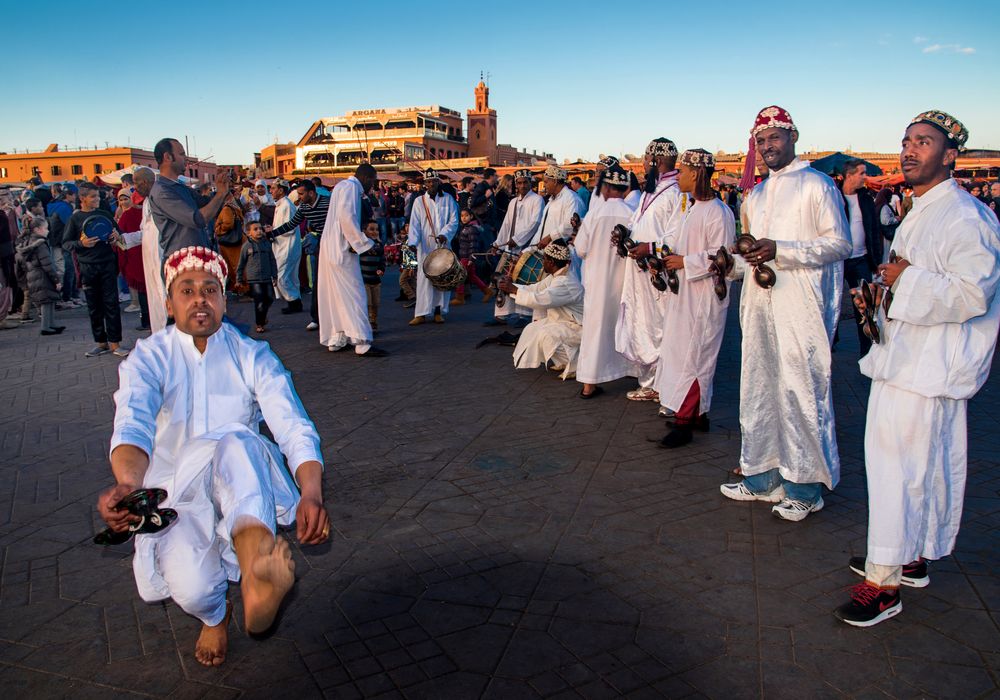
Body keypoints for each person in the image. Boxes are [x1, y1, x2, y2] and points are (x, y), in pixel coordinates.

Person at [97, 246, 329, 666]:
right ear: (169, 303)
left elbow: (292, 424)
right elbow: (133, 422)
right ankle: (215, 615)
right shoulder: (148, 357)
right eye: (187, 290)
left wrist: (310, 491)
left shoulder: (253, 355)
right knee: (192, 588)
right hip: (174, 492)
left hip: (240, 485)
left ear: (224, 299)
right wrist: (129, 487)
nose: (200, 298)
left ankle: (256, 561)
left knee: (238, 441)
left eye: (210, 290)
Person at [834, 111, 1000, 627]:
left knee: (895, 469)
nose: (909, 150)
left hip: (929, 366)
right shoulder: (923, 207)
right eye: (906, 141)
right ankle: (910, 555)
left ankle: (882, 584)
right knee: (922, 467)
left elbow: (973, 293)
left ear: (950, 155)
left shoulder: (967, 217)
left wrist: (905, 280)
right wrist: (885, 286)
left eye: (923, 142)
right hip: (910, 357)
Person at [719, 105, 851, 521]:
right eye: (760, 141)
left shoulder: (817, 185)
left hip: (801, 306)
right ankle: (762, 476)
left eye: (774, 137)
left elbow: (839, 244)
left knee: (801, 390)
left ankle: (805, 487)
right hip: (759, 305)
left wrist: (784, 251)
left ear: (793, 137)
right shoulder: (755, 195)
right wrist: (732, 266)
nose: (767, 146)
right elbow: (752, 254)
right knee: (758, 386)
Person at [653, 150, 735, 447]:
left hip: (704, 298)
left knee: (695, 356)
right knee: (681, 352)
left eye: (684, 172)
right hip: (685, 294)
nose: (680, 178)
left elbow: (723, 256)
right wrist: (665, 257)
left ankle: (685, 422)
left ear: (697, 174)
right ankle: (697, 414)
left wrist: (685, 262)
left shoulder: (719, 212)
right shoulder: (692, 208)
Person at [615, 138, 686, 403]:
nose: (643, 165)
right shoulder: (649, 192)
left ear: (656, 162)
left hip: (658, 273)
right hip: (639, 272)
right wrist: (624, 238)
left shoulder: (678, 192)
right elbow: (636, 223)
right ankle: (650, 382)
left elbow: (677, 233)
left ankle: (661, 384)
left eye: (645, 160)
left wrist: (651, 248)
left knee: (659, 325)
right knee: (642, 323)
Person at [573, 164, 632, 399]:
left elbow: (580, 249)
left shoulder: (595, 214)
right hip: (624, 281)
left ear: (605, 188)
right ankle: (630, 371)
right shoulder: (632, 212)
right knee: (623, 325)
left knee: (595, 330)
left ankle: (589, 384)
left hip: (597, 280)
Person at [315, 164, 387, 356]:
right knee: (356, 294)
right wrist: (365, 244)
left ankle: (338, 337)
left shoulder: (341, 186)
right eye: (373, 181)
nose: (373, 186)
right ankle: (362, 342)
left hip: (330, 247)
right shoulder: (350, 188)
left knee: (335, 295)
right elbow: (347, 219)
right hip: (341, 249)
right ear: (367, 178)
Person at [62, 182, 129, 358]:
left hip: (107, 264)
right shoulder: (75, 219)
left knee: (111, 304)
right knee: (94, 306)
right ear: (82, 198)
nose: (97, 199)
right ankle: (101, 342)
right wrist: (81, 244)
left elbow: (120, 237)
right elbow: (66, 243)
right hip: (87, 267)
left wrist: (116, 237)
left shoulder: (105, 214)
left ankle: (115, 343)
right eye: (93, 196)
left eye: (98, 196)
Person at [502, 240, 584, 379]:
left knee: (546, 335)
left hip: (579, 327)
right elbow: (536, 289)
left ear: (551, 262)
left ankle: (576, 365)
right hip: (565, 322)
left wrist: (514, 290)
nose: (542, 262)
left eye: (545, 259)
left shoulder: (566, 282)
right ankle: (563, 361)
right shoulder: (555, 276)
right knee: (532, 329)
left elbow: (540, 299)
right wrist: (511, 288)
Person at [146, 138, 232, 259]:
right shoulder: (162, 191)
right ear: (168, 157)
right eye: (182, 154)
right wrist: (220, 194)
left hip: (197, 259)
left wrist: (222, 188)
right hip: (184, 265)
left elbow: (208, 204)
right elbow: (197, 219)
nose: (186, 159)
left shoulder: (180, 187)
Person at [268, 180, 330, 330]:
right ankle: (316, 318)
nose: (299, 197)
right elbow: (291, 224)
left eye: (301, 194)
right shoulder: (303, 207)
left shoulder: (328, 203)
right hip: (321, 246)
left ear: (311, 193)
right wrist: (271, 233)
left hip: (334, 245)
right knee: (317, 282)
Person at [488, 169, 545, 326]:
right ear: (516, 184)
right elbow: (506, 224)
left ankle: (524, 315)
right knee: (503, 278)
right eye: (519, 183)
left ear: (530, 183)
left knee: (522, 280)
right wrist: (497, 243)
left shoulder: (537, 200)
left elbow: (535, 223)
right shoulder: (513, 202)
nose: (522, 185)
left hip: (525, 247)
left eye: (525, 182)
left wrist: (517, 240)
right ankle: (501, 314)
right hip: (510, 247)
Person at [839, 159, 883, 357]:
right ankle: (831, 340)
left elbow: (874, 229)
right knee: (831, 301)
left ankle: (867, 349)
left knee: (864, 305)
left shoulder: (865, 198)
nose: (865, 177)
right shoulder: (834, 198)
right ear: (849, 175)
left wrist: (876, 259)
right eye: (862, 173)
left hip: (861, 259)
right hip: (838, 260)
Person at [407, 169, 459, 325]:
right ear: (425, 184)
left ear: (438, 182)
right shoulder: (419, 201)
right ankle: (421, 313)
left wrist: (445, 234)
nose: (431, 184)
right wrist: (413, 243)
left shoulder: (448, 199)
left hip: (443, 245)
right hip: (425, 246)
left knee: (441, 278)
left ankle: (438, 310)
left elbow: (454, 221)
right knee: (424, 279)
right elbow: (415, 224)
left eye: (434, 181)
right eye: (428, 182)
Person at [14, 214, 64, 335]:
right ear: (37, 229)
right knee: (47, 301)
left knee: (49, 300)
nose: (47, 230)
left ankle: (51, 324)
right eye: (45, 228)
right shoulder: (40, 244)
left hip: (34, 275)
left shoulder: (28, 242)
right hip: (42, 276)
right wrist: (56, 279)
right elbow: (47, 264)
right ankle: (46, 327)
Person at [132, 168, 168, 333]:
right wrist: (123, 239)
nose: (135, 186)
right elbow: (145, 232)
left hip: (162, 255)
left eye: (135, 182)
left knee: (164, 297)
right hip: (150, 258)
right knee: (155, 299)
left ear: (144, 182)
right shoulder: (147, 201)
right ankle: (159, 335)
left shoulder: (160, 197)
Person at [115, 187, 150, 331]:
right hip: (143, 253)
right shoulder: (149, 213)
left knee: (143, 290)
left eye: (126, 198)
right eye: (121, 199)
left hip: (137, 255)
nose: (124, 202)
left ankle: (146, 321)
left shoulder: (129, 215)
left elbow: (120, 239)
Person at [266, 179, 302, 315]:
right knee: (289, 276)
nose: (271, 191)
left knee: (281, 276)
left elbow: (289, 228)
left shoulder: (286, 205)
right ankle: (295, 302)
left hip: (287, 246)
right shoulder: (281, 205)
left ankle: (293, 301)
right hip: (282, 245)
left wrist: (273, 232)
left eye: (273, 188)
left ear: (281, 190)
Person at [237, 221, 278, 334]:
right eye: (255, 229)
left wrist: (274, 275)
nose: (259, 231)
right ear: (248, 233)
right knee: (259, 301)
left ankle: (262, 316)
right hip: (254, 279)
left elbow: (272, 260)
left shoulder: (266, 244)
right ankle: (259, 323)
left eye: (260, 228)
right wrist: (239, 278)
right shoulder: (246, 246)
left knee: (269, 298)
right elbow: (241, 263)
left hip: (267, 277)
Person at [533, 165, 586, 251]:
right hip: (546, 254)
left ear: (555, 181)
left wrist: (550, 237)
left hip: (563, 256)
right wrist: (529, 249)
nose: (544, 186)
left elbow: (570, 225)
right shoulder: (551, 201)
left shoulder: (572, 199)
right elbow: (541, 229)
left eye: (546, 182)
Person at [452, 208, 493, 305]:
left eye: (466, 215)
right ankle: (488, 291)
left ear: (471, 216)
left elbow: (473, 245)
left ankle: (460, 297)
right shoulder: (466, 227)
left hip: (467, 257)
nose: (464, 218)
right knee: (472, 276)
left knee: (460, 275)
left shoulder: (471, 228)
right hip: (465, 256)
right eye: (462, 216)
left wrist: (472, 258)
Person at [359, 221, 385, 330]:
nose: (375, 232)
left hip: (376, 280)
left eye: (376, 229)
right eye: (371, 229)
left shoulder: (379, 245)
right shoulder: (361, 245)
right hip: (364, 279)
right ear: (364, 231)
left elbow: (382, 260)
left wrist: (381, 269)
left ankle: (374, 321)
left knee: (376, 303)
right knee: (368, 303)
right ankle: (368, 323)